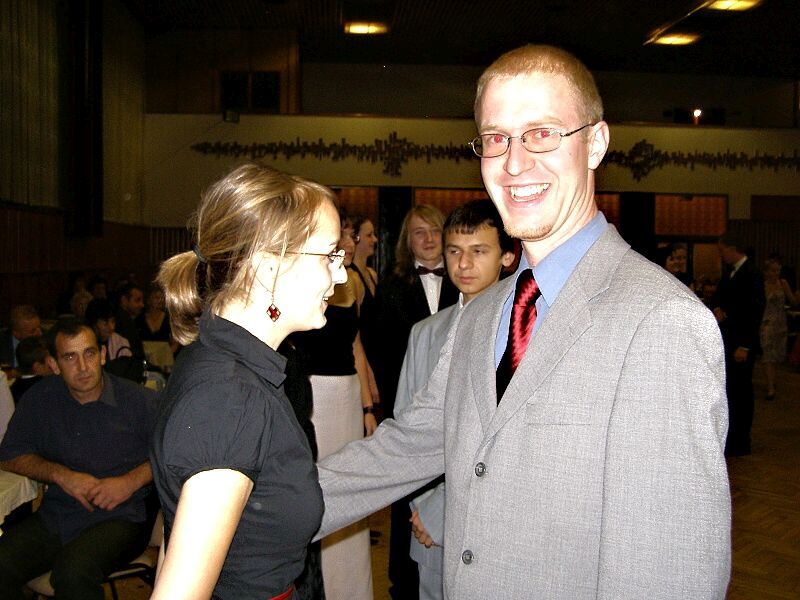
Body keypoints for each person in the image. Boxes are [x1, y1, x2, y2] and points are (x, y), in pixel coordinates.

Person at [316, 44, 731, 599]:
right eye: (496, 138)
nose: (514, 163)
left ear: (595, 143)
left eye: (541, 133)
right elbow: (413, 444)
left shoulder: (663, 323)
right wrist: (255, 508)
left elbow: (669, 572)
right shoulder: (482, 313)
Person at [149, 162, 346, 600]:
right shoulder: (231, 398)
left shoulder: (217, 357)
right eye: (329, 255)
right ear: (268, 266)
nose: (341, 275)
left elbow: (174, 539)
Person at [396, 199, 515, 600]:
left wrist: (441, 510)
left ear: (507, 257)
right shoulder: (425, 333)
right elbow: (407, 428)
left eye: (478, 251)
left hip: (494, 523)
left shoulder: (522, 335)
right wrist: (424, 509)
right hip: (427, 526)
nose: (463, 264)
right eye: (454, 252)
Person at [0, 318, 157, 600]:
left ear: (103, 354)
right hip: (59, 513)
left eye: (89, 353)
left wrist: (130, 482)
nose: (83, 367)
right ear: (53, 364)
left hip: (123, 516)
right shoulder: (41, 399)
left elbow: (178, 456)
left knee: (72, 573)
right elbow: (9, 455)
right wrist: (61, 475)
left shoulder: (139, 401)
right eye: (70, 357)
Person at [374, 203, 459, 599]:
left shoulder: (467, 282)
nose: (427, 239)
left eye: (434, 230)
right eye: (418, 232)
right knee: (404, 494)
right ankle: (403, 583)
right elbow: (380, 351)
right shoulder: (390, 287)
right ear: (406, 242)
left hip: (453, 406)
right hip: (406, 402)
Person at [292, 215, 376, 600]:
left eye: (350, 235)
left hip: (347, 394)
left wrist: (368, 406)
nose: (349, 241)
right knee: (320, 492)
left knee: (351, 493)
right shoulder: (304, 280)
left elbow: (356, 346)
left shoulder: (350, 282)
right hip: (313, 393)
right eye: (342, 235)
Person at [711, 233, 765, 456]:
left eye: (722, 250)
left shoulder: (752, 273)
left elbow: (754, 311)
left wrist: (745, 345)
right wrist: (718, 309)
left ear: (733, 248)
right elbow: (720, 299)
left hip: (741, 344)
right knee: (731, 391)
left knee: (742, 393)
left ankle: (742, 441)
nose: (721, 255)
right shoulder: (730, 273)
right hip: (729, 340)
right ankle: (731, 438)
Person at [759, 257, 796, 400]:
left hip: (781, 323)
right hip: (767, 323)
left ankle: (773, 380)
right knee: (768, 355)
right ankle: (770, 387)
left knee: (777, 355)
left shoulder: (783, 283)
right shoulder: (762, 286)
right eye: (773, 271)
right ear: (766, 272)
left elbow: (792, 301)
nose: (775, 273)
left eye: (778, 271)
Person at [9, 335, 52, 404]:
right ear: (38, 367)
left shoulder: (12, 390)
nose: (53, 363)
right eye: (50, 360)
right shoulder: (48, 388)